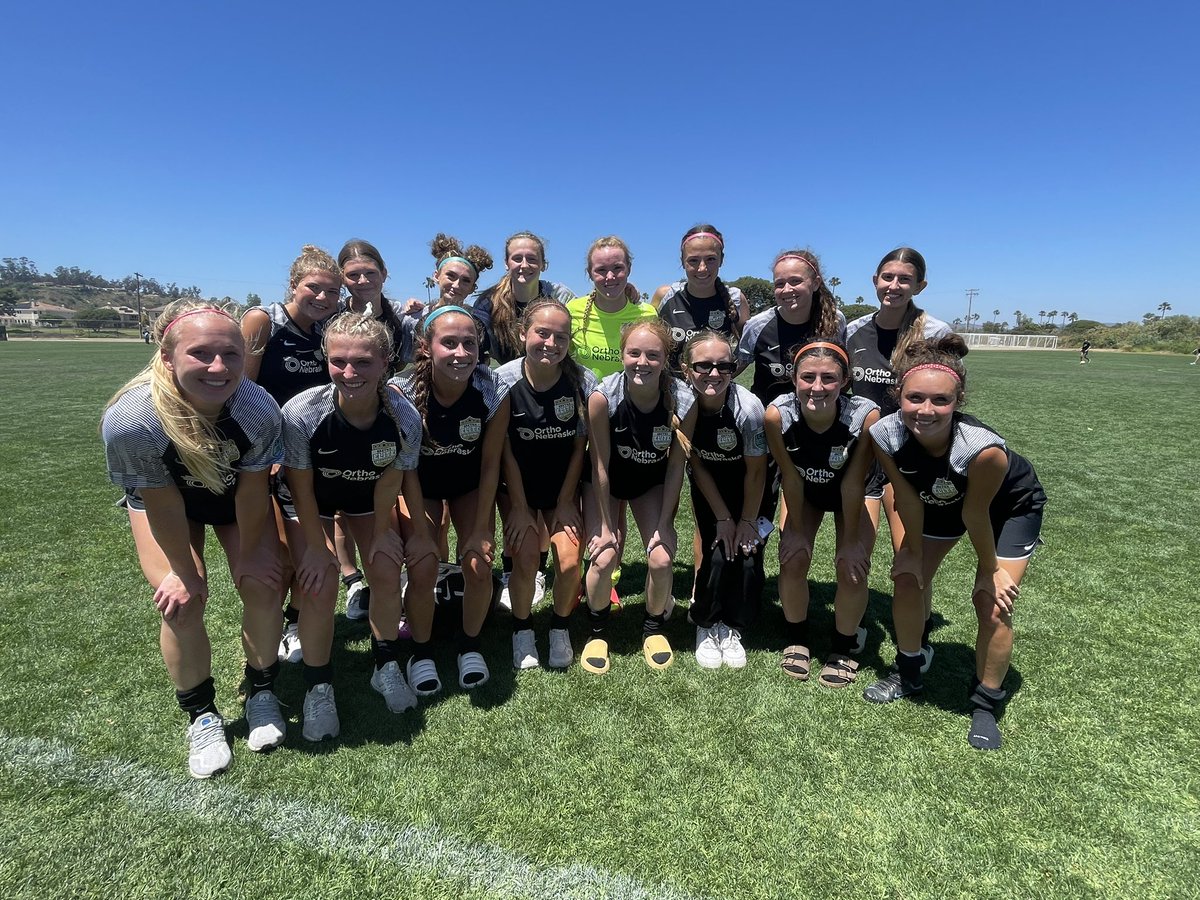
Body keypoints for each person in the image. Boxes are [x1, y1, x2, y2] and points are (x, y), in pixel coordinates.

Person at [102, 301, 285, 779]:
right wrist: (184, 572)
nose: (218, 367)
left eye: (230, 353)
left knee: (264, 584)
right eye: (201, 353)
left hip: (230, 497)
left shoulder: (257, 407)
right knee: (183, 601)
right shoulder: (133, 418)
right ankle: (202, 714)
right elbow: (162, 502)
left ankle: (262, 690)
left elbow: (251, 489)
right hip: (165, 504)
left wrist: (247, 555)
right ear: (166, 357)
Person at [864, 335, 1046, 751]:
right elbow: (907, 496)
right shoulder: (885, 433)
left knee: (992, 602)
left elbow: (975, 514)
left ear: (958, 401)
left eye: (940, 401)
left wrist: (990, 570)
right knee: (909, 578)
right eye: (915, 398)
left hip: (1006, 508)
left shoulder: (981, 451)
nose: (926, 410)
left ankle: (985, 702)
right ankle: (908, 673)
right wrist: (909, 550)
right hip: (940, 499)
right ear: (899, 395)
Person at [280, 313, 436, 739]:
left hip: (366, 497)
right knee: (319, 581)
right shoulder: (302, 412)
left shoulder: (403, 416)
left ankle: (384, 664)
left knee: (386, 569)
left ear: (386, 362)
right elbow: (301, 487)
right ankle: (318, 685)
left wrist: (385, 530)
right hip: (308, 502)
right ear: (326, 359)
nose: (349, 373)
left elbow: (392, 476)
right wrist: (316, 546)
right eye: (338, 361)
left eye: (363, 362)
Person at [392, 305, 510, 693]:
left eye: (469, 343)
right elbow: (404, 466)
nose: (460, 352)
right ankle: (421, 652)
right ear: (425, 347)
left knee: (478, 563)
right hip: (418, 485)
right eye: (449, 343)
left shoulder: (492, 388)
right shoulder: (401, 391)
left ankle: (470, 645)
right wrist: (422, 534)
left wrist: (480, 528)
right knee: (423, 565)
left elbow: (491, 464)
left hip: (468, 484)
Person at [845, 248, 952, 669]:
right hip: (863, 456)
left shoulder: (935, 332)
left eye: (904, 279)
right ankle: (854, 628)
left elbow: (946, 395)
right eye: (887, 277)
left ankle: (918, 639)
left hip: (913, 459)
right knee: (858, 547)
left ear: (919, 286)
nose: (894, 286)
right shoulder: (853, 331)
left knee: (910, 556)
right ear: (875, 279)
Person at [241, 245, 342, 664]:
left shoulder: (325, 332)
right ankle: (281, 625)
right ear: (293, 285)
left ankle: (297, 620)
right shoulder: (263, 321)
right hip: (266, 456)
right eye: (313, 288)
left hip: (312, 454)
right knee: (283, 549)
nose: (321, 298)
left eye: (331, 292)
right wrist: (265, 454)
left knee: (311, 543)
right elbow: (241, 393)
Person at [582, 318, 698, 674]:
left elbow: (677, 466)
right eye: (634, 353)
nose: (642, 362)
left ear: (666, 359)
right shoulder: (603, 397)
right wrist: (604, 525)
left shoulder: (683, 398)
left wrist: (665, 523)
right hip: (607, 483)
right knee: (604, 556)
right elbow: (599, 465)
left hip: (650, 483)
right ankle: (597, 631)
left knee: (662, 558)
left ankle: (653, 629)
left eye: (653, 355)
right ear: (622, 355)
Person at [764, 339, 880, 687]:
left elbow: (854, 483)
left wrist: (850, 542)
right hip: (805, 488)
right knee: (794, 558)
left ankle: (843, 648)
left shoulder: (865, 415)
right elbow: (789, 476)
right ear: (794, 379)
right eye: (808, 377)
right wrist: (796, 529)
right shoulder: (778, 415)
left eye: (829, 378)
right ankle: (796, 638)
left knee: (852, 568)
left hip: (856, 489)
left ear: (845, 381)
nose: (817, 387)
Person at [494, 300, 595, 669]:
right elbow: (504, 450)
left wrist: (567, 501)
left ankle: (559, 628)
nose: (551, 343)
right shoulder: (501, 380)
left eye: (561, 336)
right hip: (516, 488)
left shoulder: (582, 381)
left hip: (561, 489)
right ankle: (522, 630)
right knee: (523, 560)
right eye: (542, 333)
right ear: (523, 334)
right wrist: (519, 508)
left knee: (569, 563)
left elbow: (578, 447)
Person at [680, 331, 766, 668]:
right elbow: (695, 462)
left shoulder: (748, 408)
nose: (714, 374)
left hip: (751, 489)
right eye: (703, 366)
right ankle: (705, 622)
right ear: (687, 369)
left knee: (747, 557)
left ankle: (732, 626)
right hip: (709, 487)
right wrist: (723, 518)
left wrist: (745, 521)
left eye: (724, 366)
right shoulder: (683, 402)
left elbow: (757, 473)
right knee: (716, 555)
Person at [652, 224, 749, 374]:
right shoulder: (665, 295)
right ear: (682, 261)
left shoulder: (736, 298)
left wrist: (724, 378)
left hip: (715, 392)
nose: (702, 268)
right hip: (670, 392)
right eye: (693, 260)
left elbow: (747, 350)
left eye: (710, 259)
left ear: (721, 259)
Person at [472, 232, 574, 365]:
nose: (524, 265)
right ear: (506, 264)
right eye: (517, 258)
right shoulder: (487, 303)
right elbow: (475, 347)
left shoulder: (560, 297)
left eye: (532, 259)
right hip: (509, 378)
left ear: (543, 264)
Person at [567, 236, 657, 379]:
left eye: (617, 268)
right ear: (590, 273)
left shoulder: (647, 314)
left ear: (629, 269)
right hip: (584, 399)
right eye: (601, 270)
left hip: (629, 399)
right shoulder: (572, 310)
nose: (610, 276)